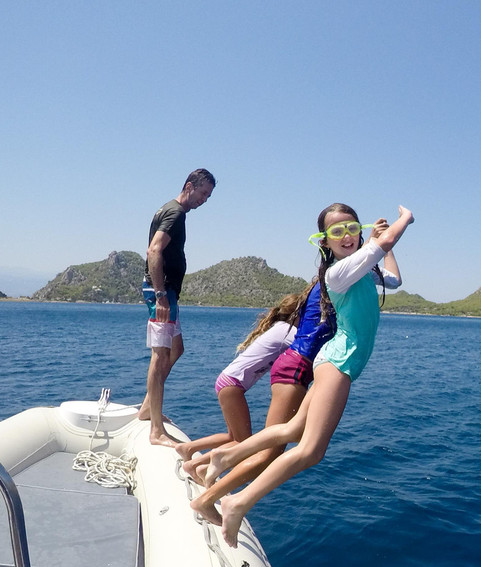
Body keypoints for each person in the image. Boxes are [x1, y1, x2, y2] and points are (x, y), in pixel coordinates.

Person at [201, 202, 413, 546]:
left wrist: (382, 243)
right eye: (336, 231)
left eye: (352, 228)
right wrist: (404, 221)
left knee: (293, 429)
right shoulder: (338, 273)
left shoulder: (364, 270)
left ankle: (226, 456)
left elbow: (394, 278)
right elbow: (383, 246)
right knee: (310, 450)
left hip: (336, 362)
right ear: (324, 242)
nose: (346, 235)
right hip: (338, 363)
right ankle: (237, 503)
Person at [176, 291, 308, 482]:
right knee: (244, 443)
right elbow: (309, 346)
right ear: (297, 315)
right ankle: (195, 465)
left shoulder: (280, 328)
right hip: (232, 386)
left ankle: (187, 449)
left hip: (228, 382)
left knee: (233, 437)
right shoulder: (287, 331)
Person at [138, 168, 216, 447]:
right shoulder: (176, 213)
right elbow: (154, 250)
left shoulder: (168, 209)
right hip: (162, 294)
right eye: (203, 193)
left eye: (208, 196)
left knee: (176, 349)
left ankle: (149, 406)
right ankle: (155, 430)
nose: (204, 200)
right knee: (160, 357)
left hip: (168, 293)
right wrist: (160, 296)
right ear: (189, 186)